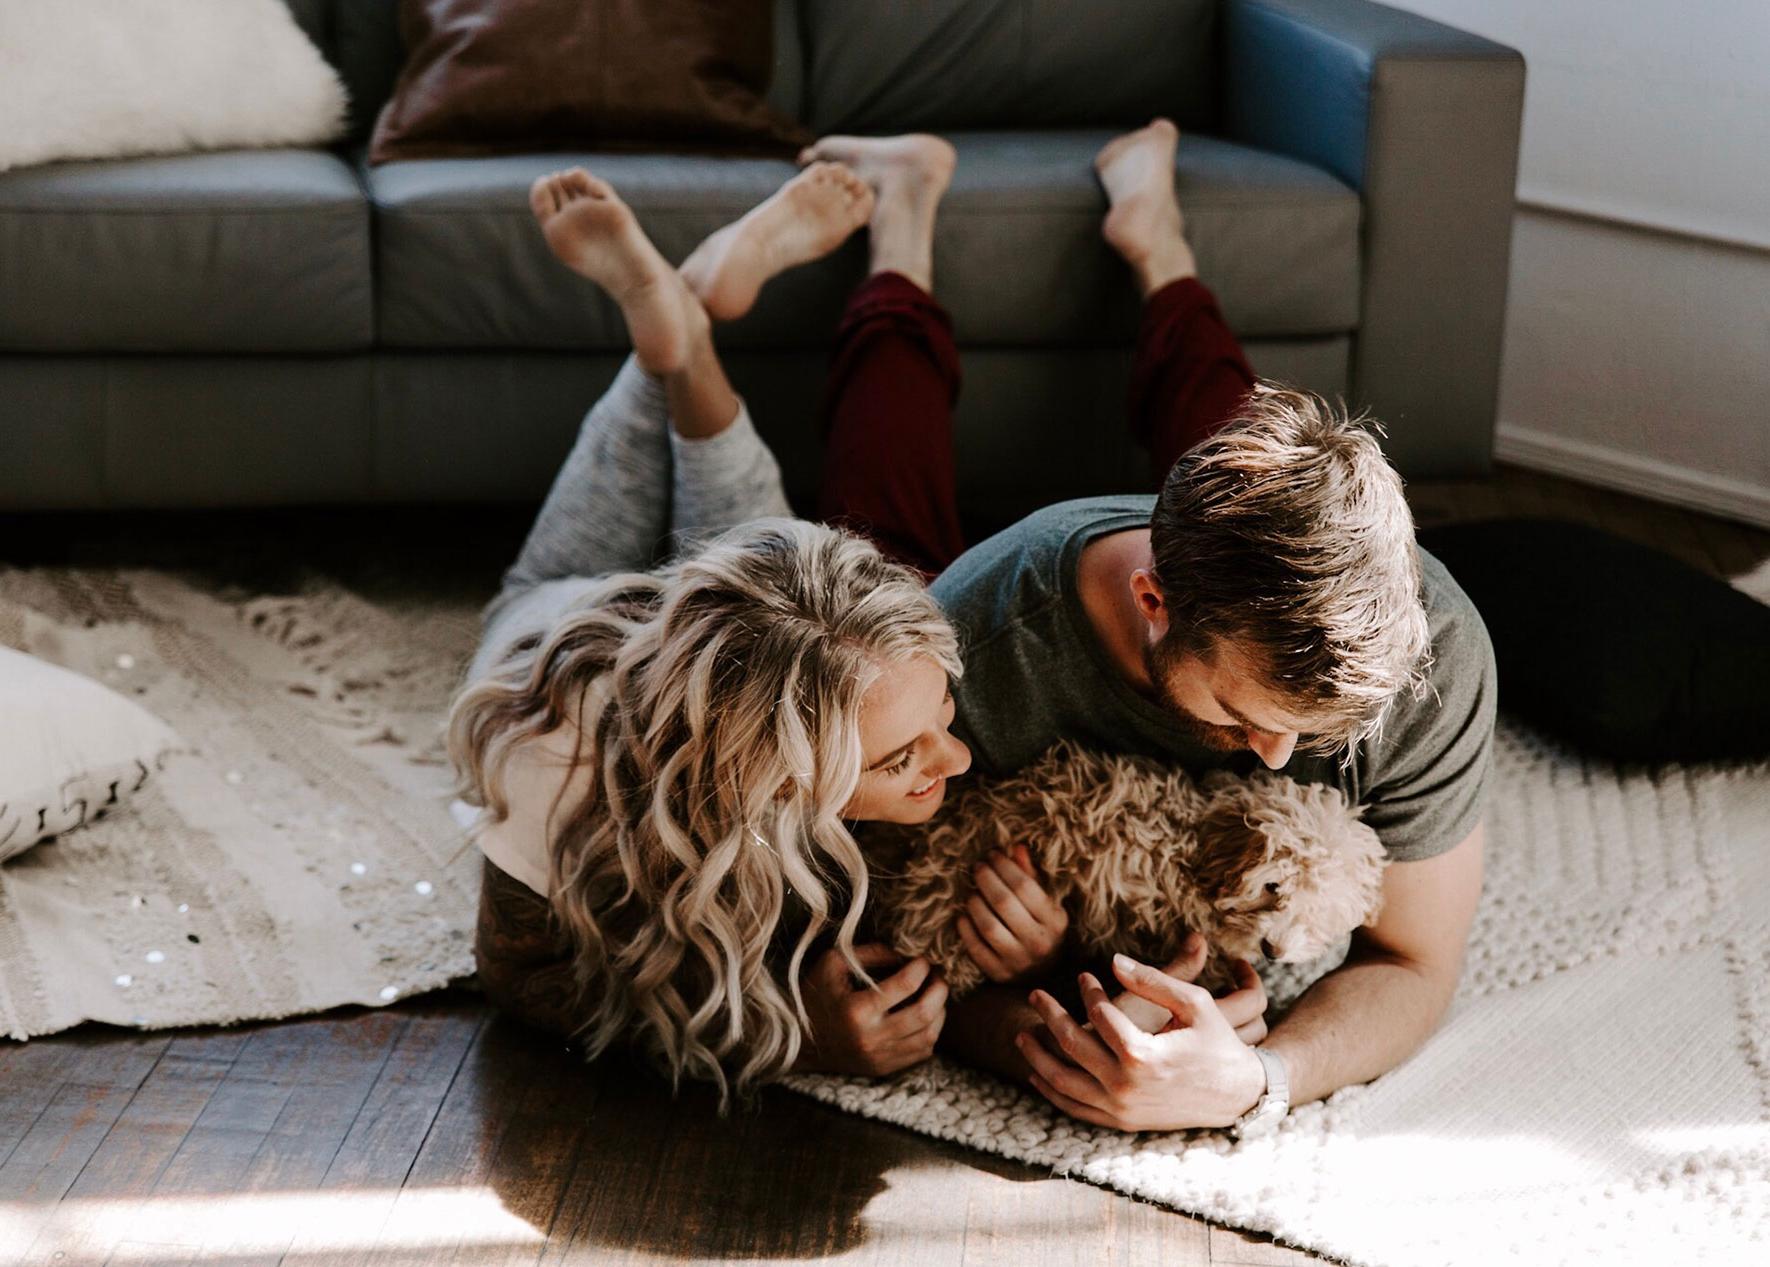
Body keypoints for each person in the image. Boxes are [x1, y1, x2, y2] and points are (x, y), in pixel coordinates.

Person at [907, 121, 1498, 1134]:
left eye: (1317, 735)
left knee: (1237, 433)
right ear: (1152, 602)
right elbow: (886, 934)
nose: (1278, 761)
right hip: (1003, 579)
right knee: (885, 518)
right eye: (1243, 711)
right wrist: (1041, 1024)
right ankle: (901, 243)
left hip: (1216, 547)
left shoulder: (1432, 650)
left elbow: (1414, 957)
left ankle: (1156, 241)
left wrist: (1255, 1079)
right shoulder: (982, 630)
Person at [448, 160, 974, 1105]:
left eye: (944, 711)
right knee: (534, 585)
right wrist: (787, 1031)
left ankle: (682, 321)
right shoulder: (559, 773)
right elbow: (516, 974)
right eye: (906, 755)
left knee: (782, 555)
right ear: (770, 768)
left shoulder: (822, 617)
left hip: (732, 599)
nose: (962, 757)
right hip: (549, 626)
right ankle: (681, 317)